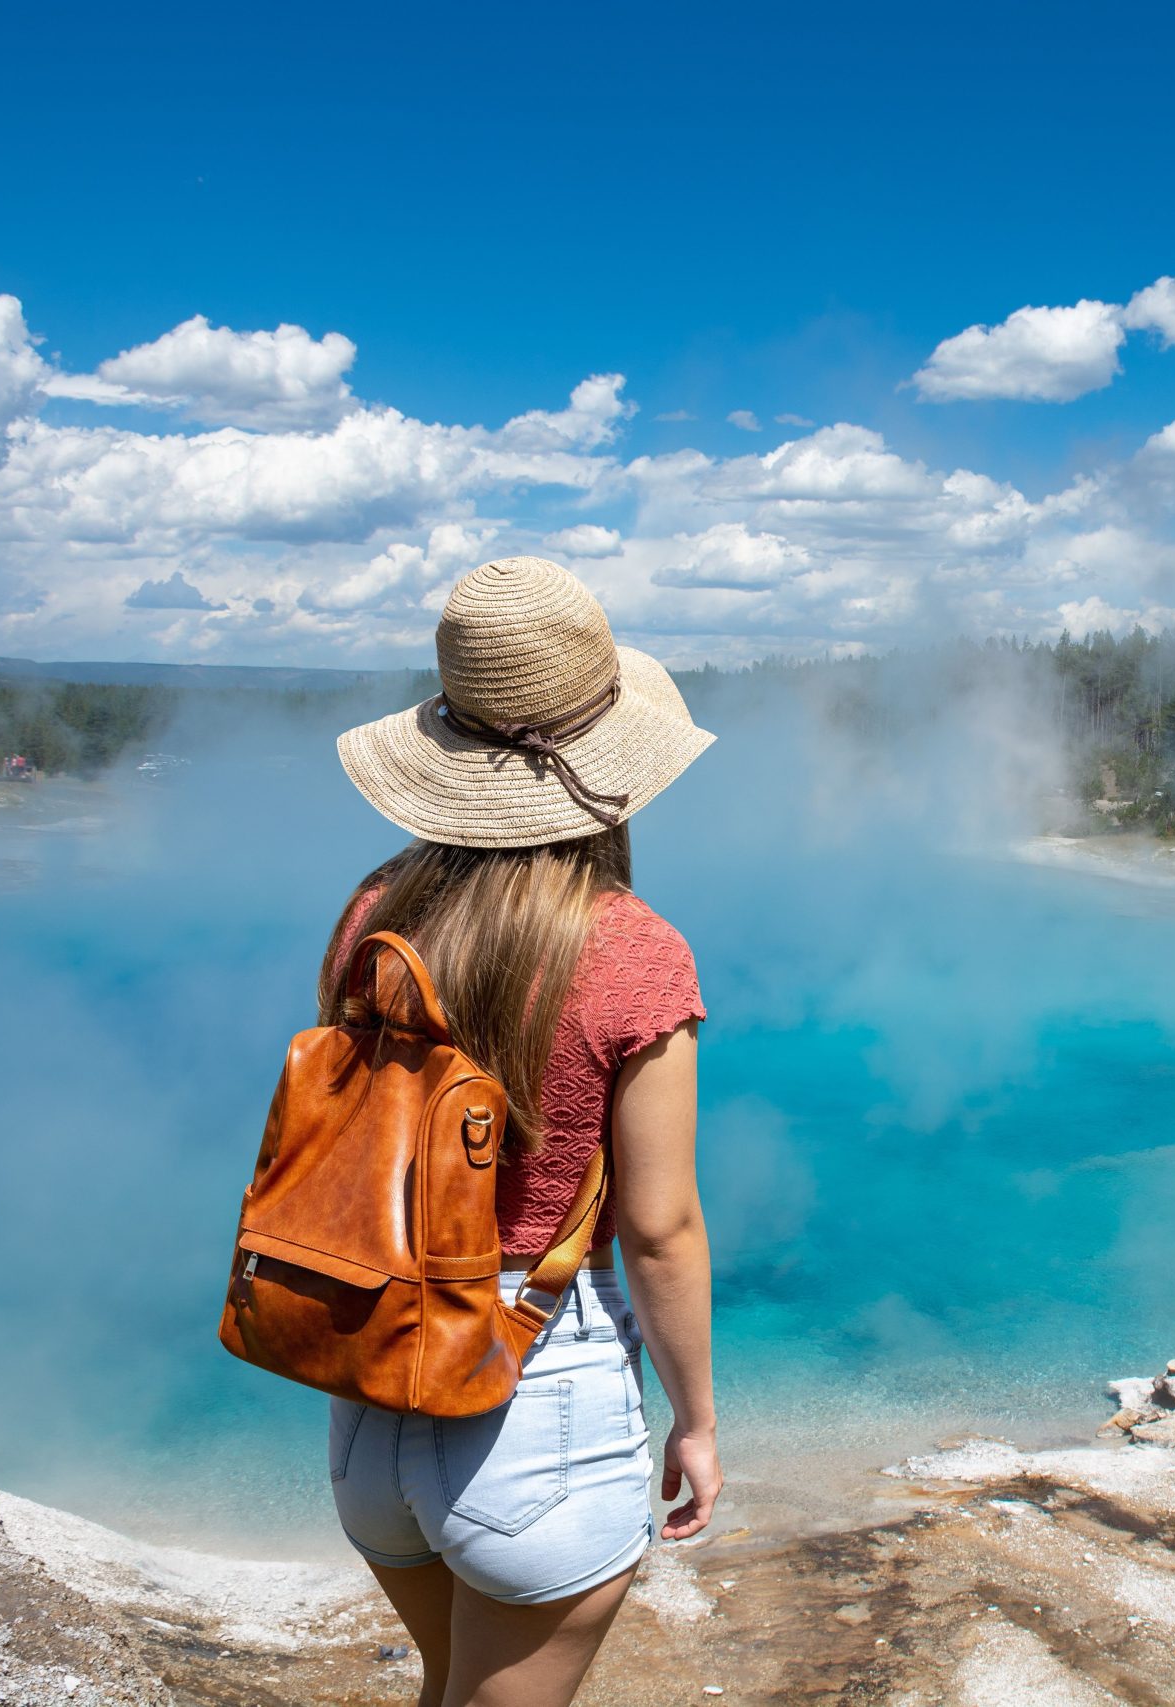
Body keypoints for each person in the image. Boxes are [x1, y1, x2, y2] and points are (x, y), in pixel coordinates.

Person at [321, 556, 721, 1707]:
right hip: (533, 1398)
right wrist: (694, 1422)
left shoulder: (375, 912)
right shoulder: (635, 949)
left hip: (373, 1397)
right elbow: (659, 1229)